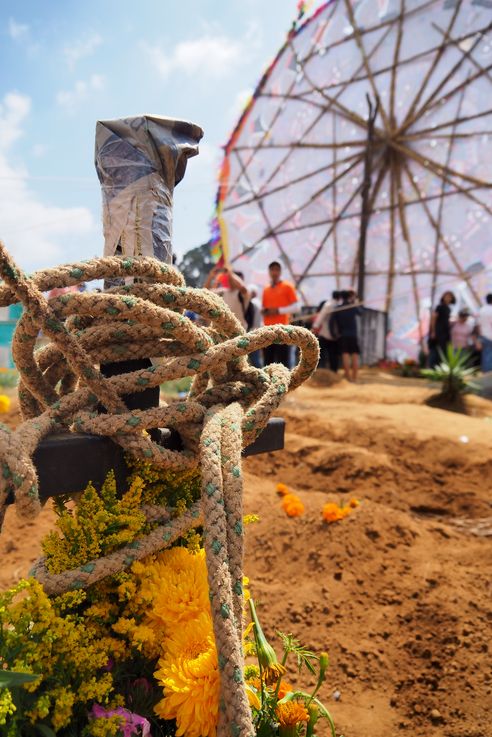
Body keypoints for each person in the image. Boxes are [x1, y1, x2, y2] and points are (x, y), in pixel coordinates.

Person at [262, 261, 300, 367]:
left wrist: (278, 311)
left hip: (283, 330)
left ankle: (284, 383)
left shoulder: (288, 286)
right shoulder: (266, 289)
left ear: (280, 272)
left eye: (277, 269)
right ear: (269, 272)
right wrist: (265, 311)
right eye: (272, 270)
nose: (274, 272)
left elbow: (297, 307)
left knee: (283, 362)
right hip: (268, 330)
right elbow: (265, 307)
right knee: (267, 362)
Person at [204, 265, 250, 330]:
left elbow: (242, 287)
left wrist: (230, 273)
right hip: (225, 330)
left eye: (232, 278)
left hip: (239, 329)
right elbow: (205, 292)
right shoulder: (223, 292)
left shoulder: (242, 293)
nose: (230, 280)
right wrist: (211, 276)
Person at [331, 289, 362, 382]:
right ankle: (355, 378)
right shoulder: (352, 307)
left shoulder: (338, 308)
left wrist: (334, 334)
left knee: (345, 356)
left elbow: (332, 322)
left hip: (343, 335)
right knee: (355, 356)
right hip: (353, 335)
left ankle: (348, 378)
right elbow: (361, 313)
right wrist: (355, 302)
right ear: (349, 297)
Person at [312, 290, 341, 372]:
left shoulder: (328, 305)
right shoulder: (339, 305)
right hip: (336, 335)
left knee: (322, 354)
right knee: (334, 354)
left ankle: (321, 370)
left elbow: (321, 316)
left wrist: (315, 326)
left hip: (325, 333)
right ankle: (333, 371)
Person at [427, 290, 456, 368]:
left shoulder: (448, 308)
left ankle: (438, 368)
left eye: (450, 297)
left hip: (445, 334)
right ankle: (431, 368)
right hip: (438, 333)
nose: (448, 298)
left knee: (442, 352)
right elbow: (433, 318)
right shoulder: (439, 307)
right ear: (443, 297)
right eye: (447, 296)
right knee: (435, 351)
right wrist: (433, 331)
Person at [478, 293, 492, 373]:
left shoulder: (482, 309)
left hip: (484, 335)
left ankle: (485, 374)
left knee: (486, 355)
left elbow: (478, 325)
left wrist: (479, 337)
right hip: (490, 335)